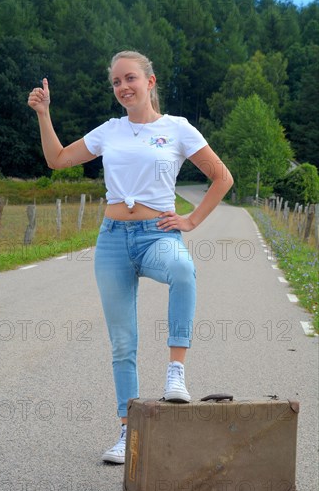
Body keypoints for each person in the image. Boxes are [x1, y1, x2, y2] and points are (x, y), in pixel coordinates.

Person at [28, 50, 234, 464]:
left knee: (183, 269)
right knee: (123, 342)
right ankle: (128, 431)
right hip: (112, 240)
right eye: (117, 83)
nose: (123, 88)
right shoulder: (110, 131)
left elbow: (221, 177)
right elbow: (57, 160)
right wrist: (44, 114)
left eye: (130, 79)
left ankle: (176, 371)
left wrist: (191, 221)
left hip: (156, 233)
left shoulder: (177, 128)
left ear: (150, 82)